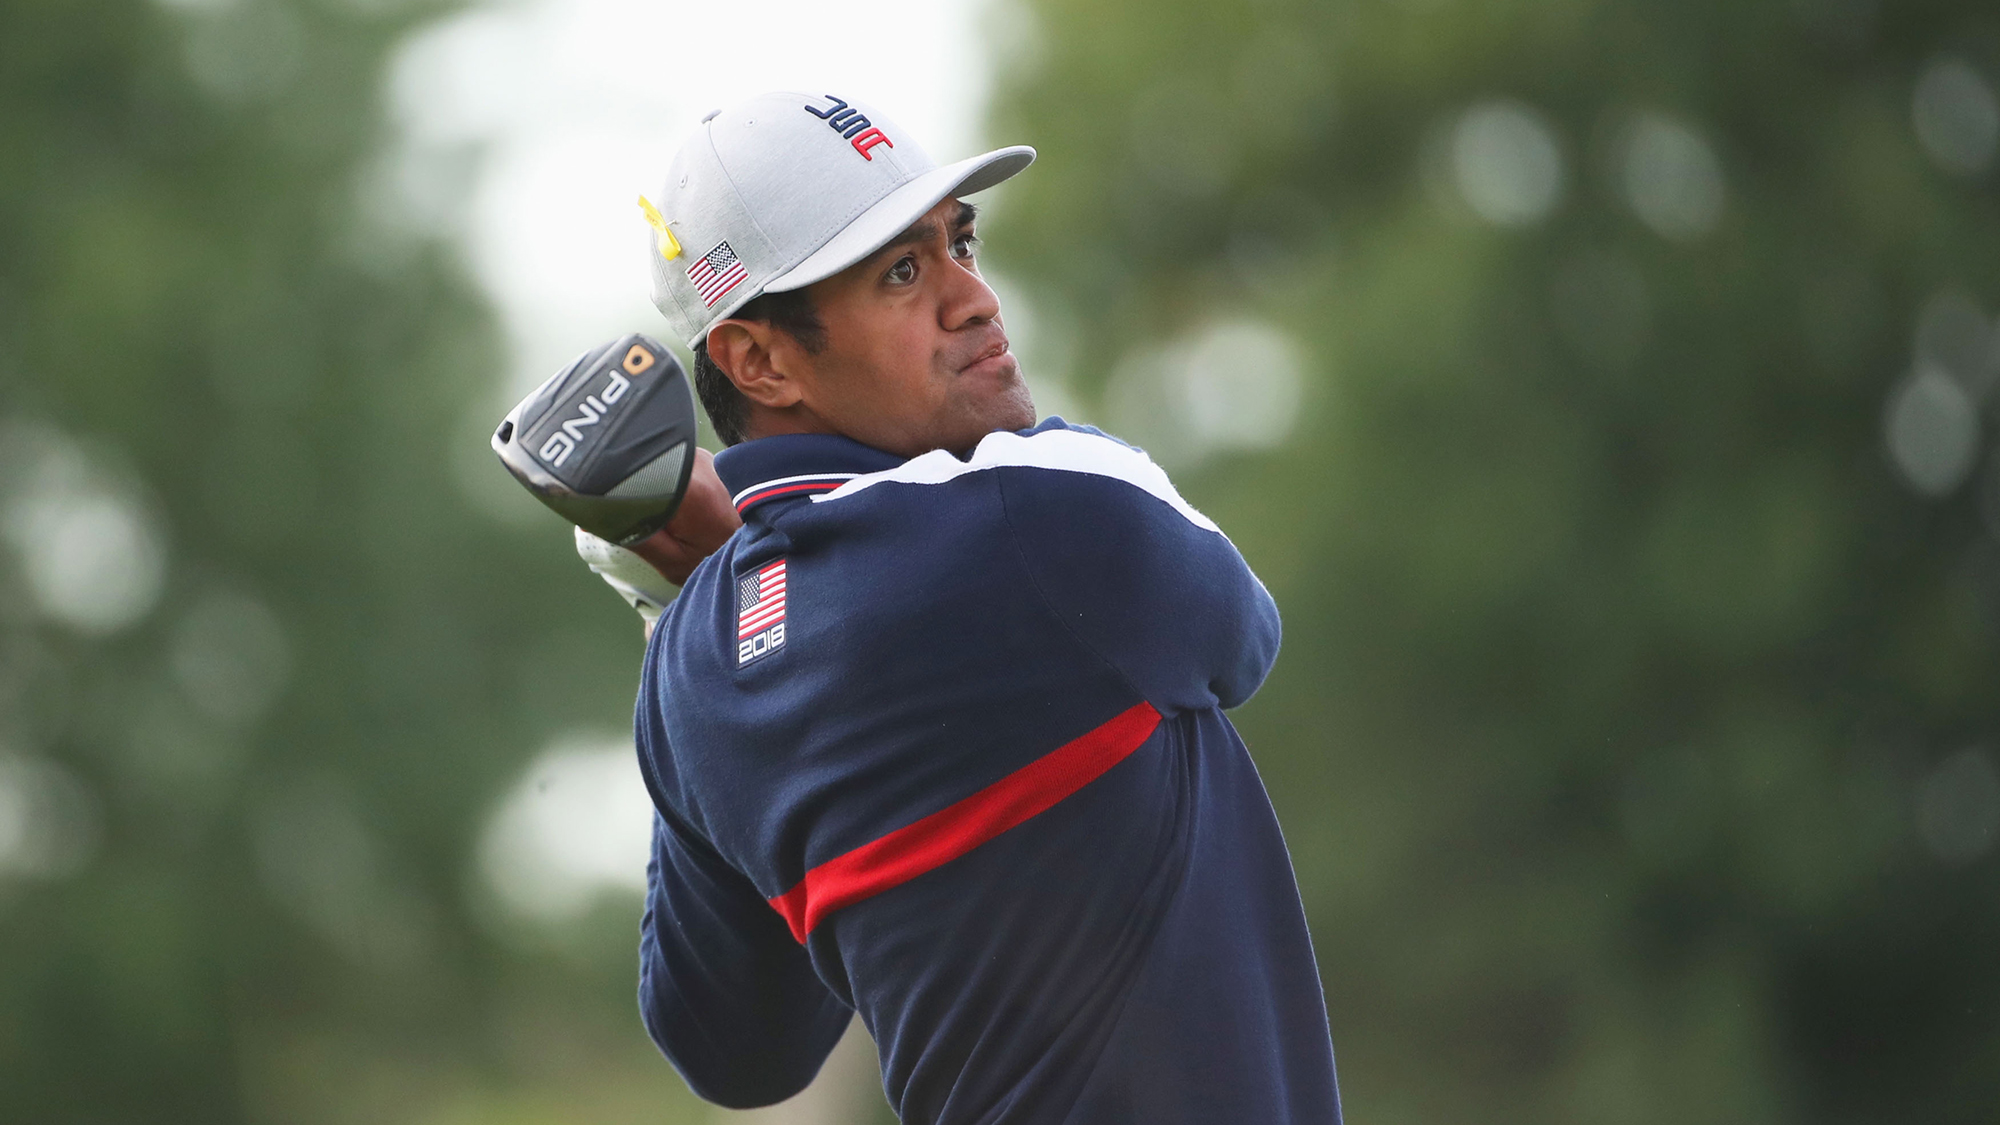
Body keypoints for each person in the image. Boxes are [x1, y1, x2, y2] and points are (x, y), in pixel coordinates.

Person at [585, 91, 1342, 1123]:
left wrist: (684, 606)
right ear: (757, 360)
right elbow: (1240, 637)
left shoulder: (690, 670)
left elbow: (737, 1053)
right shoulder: (1043, 512)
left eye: (960, 244)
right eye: (902, 272)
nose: (974, 299)